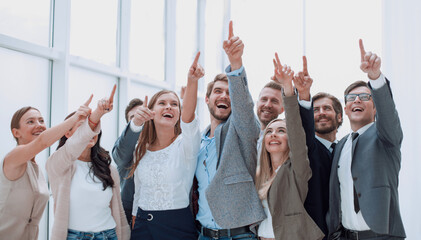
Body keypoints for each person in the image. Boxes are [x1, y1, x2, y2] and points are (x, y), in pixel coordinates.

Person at [193, 21, 265, 240]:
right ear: (207, 99)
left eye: (229, 93)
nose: (224, 96)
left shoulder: (242, 131)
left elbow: (244, 107)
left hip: (238, 235)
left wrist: (235, 65)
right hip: (203, 234)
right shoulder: (198, 141)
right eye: (217, 91)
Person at [327, 40, 406, 239]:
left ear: (375, 106)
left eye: (364, 96)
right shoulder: (341, 146)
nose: (357, 100)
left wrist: (375, 77)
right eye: (351, 98)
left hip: (381, 235)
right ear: (345, 109)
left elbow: (388, 111)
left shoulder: (386, 136)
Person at [128, 52, 203, 240]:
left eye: (174, 104)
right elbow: (139, 191)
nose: (169, 107)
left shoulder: (186, 145)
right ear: (151, 111)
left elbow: (189, 118)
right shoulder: (140, 148)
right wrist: (135, 219)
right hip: (142, 225)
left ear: (179, 112)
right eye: (162, 103)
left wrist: (192, 81)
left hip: (177, 226)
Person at [46, 85, 130, 240]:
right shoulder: (58, 164)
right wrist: (97, 113)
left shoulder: (108, 169)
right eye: (82, 127)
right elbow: (75, 144)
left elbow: (118, 210)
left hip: (108, 235)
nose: (89, 133)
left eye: (92, 129)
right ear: (68, 133)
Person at [255, 53, 324, 240]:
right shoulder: (260, 173)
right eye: (269, 132)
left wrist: (288, 88)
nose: (274, 134)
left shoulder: (297, 169)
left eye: (281, 131)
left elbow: (296, 130)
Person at [0, 102, 91, 240]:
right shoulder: (14, 157)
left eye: (41, 120)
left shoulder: (37, 169)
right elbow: (42, 141)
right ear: (16, 132)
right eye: (30, 121)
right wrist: (75, 118)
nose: (39, 125)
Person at [294, 56, 343, 238]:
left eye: (327, 108)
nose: (321, 113)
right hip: (314, 232)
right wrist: (305, 94)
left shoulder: (344, 149)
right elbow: (305, 128)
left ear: (339, 117)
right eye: (316, 109)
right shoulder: (308, 148)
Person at [112, 97, 144, 227]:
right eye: (134, 117)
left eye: (143, 114)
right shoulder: (123, 148)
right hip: (129, 218)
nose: (140, 118)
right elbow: (120, 155)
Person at [256, 81, 284, 161]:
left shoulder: (284, 141)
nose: (268, 105)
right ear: (257, 104)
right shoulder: (245, 135)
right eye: (264, 99)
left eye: (274, 101)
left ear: (282, 109)